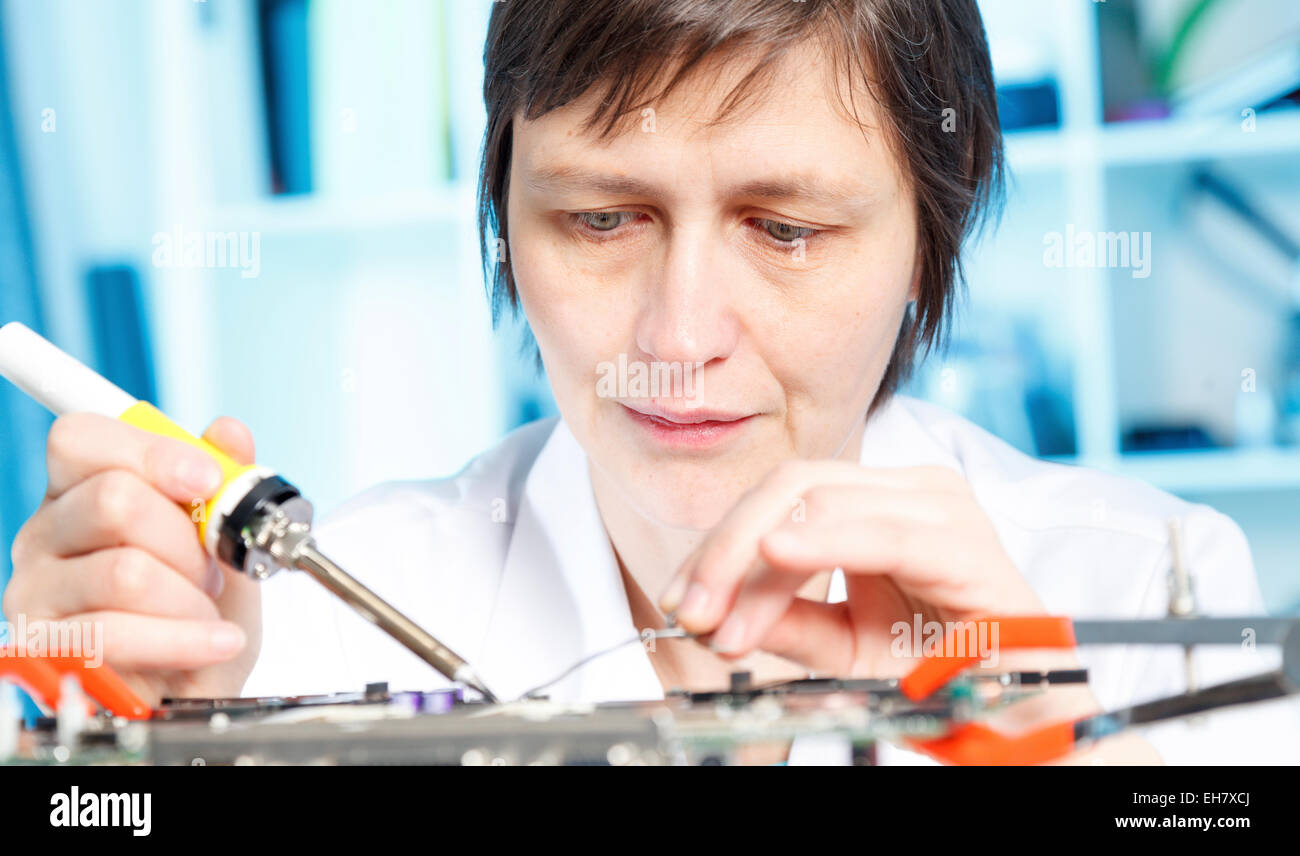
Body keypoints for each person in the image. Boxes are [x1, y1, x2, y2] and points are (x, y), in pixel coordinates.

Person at [4, 0, 1289, 764]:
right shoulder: (295, 633)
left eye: (785, 229)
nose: (676, 338)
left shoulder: (1153, 595)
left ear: (927, 239)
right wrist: (102, 764)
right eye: (602, 220)